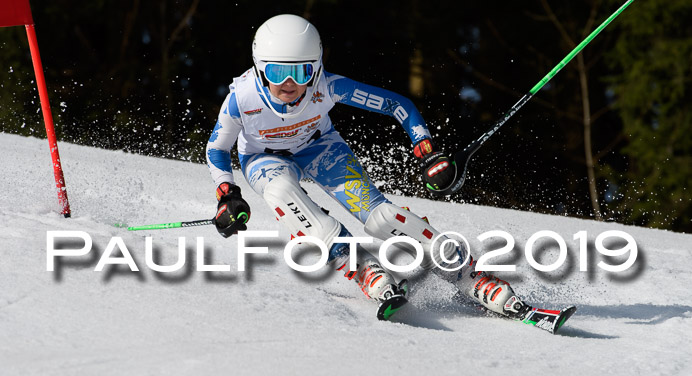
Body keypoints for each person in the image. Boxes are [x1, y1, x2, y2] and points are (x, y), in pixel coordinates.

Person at [206, 14, 526, 320]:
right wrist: (227, 192)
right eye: (277, 73)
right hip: (264, 158)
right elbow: (217, 148)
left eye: (302, 72)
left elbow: (398, 105)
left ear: (316, 69)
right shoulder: (242, 99)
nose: (289, 84)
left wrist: (426, 150)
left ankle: (467, 273)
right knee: (283, 193)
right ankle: (360, 267)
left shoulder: (327, 86)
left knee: (381, 218)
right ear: (260, 69)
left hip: (320, 148)